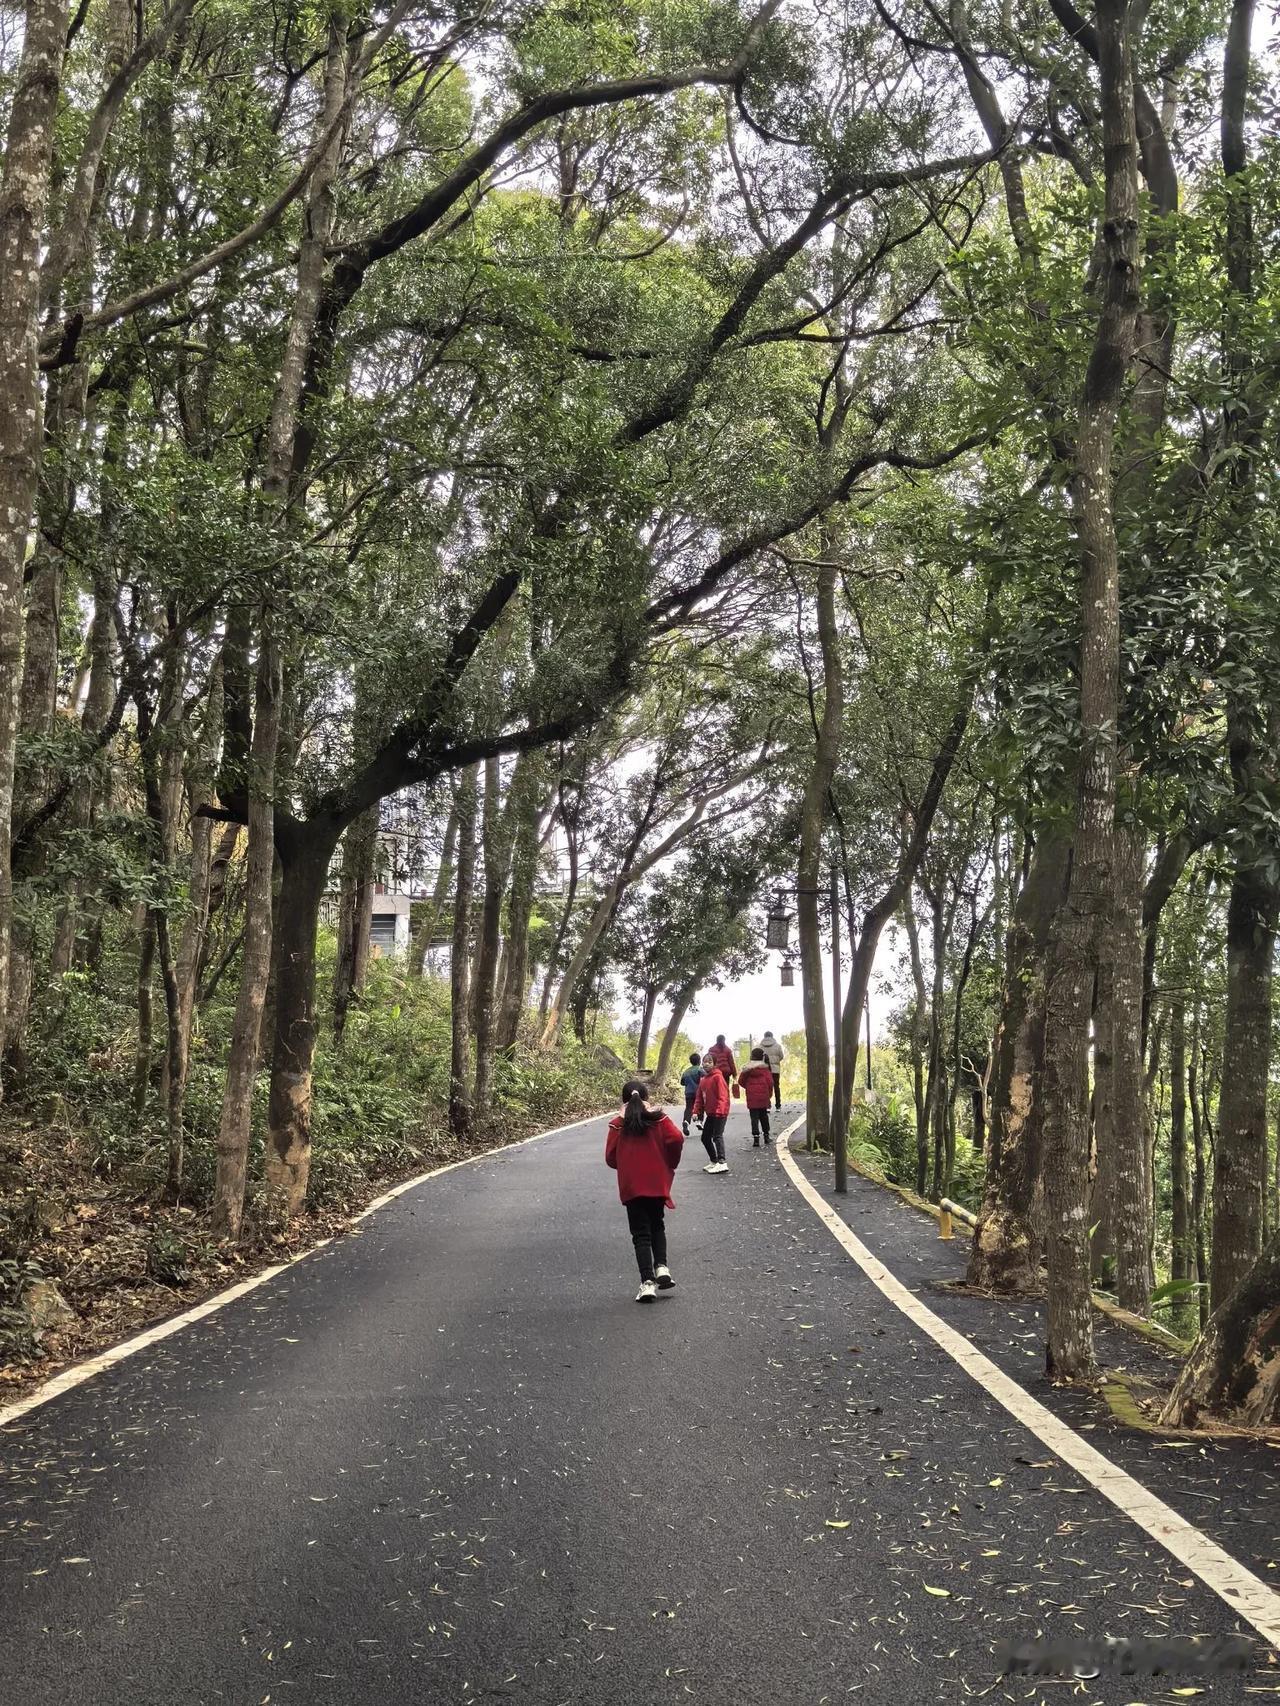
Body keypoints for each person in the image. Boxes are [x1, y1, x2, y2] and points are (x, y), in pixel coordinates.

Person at [605, 1081, 684, 1302]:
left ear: (623, 1099)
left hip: (633, 1185)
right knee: (657, 1224)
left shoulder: (618, 1124)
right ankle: (662, 1268)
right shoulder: (659, 1119)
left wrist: (625, 1162)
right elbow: (677, 1138)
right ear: (647, 1096)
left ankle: (647, 1283)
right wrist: (669, 1161)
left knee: (640, 1234)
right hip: (656, 1182)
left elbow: (610, 1157)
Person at [692, 1057, 730, 1174]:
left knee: (717, 1136)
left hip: (720, 1113)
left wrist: (720, 1110)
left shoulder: (718, 1077)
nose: (706, 1064)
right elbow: (699, 1098)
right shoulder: (703, 1080)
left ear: (714, 1064)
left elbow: (723, 1096)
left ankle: (722, 1162)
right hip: (711, 1113)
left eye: (709, 1062)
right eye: (705, 1062)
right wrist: (695, 1111)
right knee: (705, 1138)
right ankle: (714, 1161)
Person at [738, 1048, 775, 1146]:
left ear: (752, 1057)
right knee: (764, 1117)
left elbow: (741, 1081)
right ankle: (766, 1136)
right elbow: (770, 1082)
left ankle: (756, 1139)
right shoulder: (765, 1069)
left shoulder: (747, 1069)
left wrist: (749, 1087)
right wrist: (768, 1094)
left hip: (752, 1097)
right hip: (763, 1097)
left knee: (754, 1118)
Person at [760, 1030, 785, 1109]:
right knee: (776, 1087)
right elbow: (781, 1056)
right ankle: (778, 1105)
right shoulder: (778, 1046)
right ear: (772, 1036)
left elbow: (758, 1057)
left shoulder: (759, 1046)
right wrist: (776, 1062)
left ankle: (768, 1105)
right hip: (775, 1070)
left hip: (765, 1070)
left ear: (764, 1037)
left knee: (766, 1087)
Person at [680, 1052, 704, 1135]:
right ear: (699, 1061)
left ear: (691, 1061)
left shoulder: (686, 1072)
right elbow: (705, 1078)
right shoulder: (700, 1069)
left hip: (688, 1092)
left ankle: (686, 1121)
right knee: (700, 1106)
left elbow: (682, 1082)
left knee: (689, 1108)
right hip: (698, 1092)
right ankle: (699, 1121)